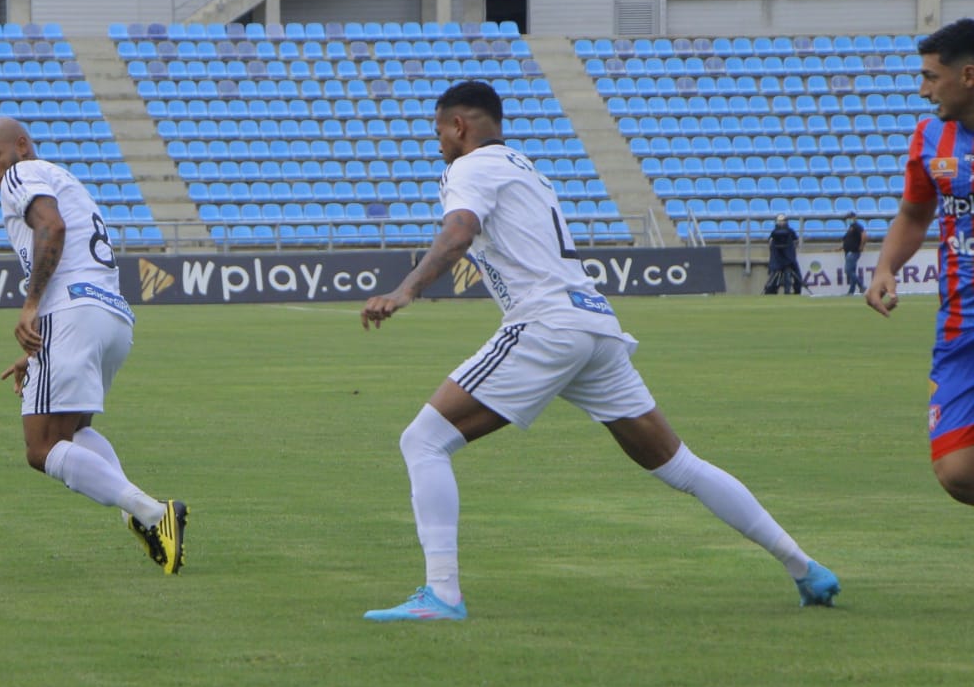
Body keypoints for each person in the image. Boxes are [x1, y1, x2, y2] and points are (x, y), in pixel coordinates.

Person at [358, 80, 837, 622]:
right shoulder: (526, 167)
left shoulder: (468, 168)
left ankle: (441, 595)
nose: (437, 143)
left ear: (459, 126)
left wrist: (406, 290)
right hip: (593, 322)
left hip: (545, 323)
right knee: (679, 464)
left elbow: (458, 233)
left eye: (438, 131)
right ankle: (806, 569)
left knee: (423, 441)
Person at [0, 116, 188, 574]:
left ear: (21, 146)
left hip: (71, 310)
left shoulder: (23, 174)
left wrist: (32, 308)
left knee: (42, 447)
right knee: (72, 431)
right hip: (109, 314)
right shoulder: (64, 177)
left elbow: (51, 229)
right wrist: (40, 344)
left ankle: (152, 513)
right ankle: (142, 515)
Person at [868, 17, 974, 507]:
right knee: (956, 471)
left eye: (931, 77)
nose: (923, 91)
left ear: (967, 76)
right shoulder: (930, 139)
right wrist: (886, 266)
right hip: (961, 327)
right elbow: (914, 214)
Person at [765, 213, 803, 294]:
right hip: (777, 259)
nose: (781, 223)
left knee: (796, 277)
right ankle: (771, 291)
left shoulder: (790, 232)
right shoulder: (774, 233)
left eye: (783, 221)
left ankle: (795, 291)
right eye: (780, 221)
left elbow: (795, 242)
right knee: (773, 278)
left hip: (789, 259)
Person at [841, 212, 867, 296]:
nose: (848, 219)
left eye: (849, 217)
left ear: (854, 217)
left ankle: (861, 285)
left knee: (848, 270)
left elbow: (864, 235)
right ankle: (851, 291)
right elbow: (848, 239)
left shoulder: (857, 226)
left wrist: (862, 246)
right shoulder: (851, 228)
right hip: (849, 251)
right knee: (852, 271)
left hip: (853, 251)